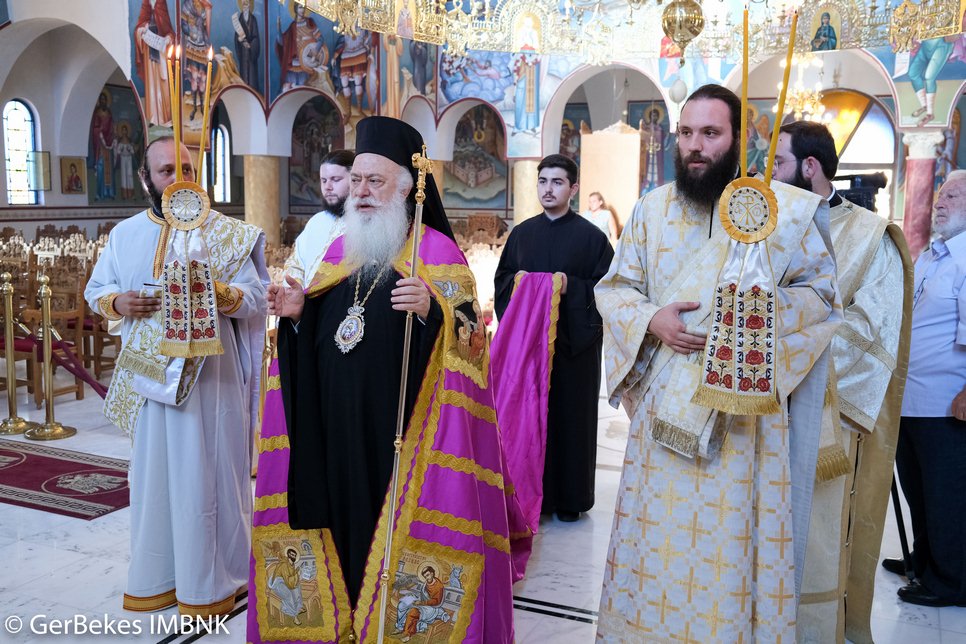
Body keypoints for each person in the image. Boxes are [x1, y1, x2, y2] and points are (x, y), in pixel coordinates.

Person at [248, 117, 526, 643]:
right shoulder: (339, 251)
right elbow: (322, 333)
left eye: (375, 181)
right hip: (335, 436)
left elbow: (473, 345)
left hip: (403, 445)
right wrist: (300, 315)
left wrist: (433, 313)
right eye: (356, 180)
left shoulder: (438, 255)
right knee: (341, 532)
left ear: (407, 189)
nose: (361, 191)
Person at [595, 84, 842, 641]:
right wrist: (652, 319)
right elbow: (615, 289)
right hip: (661, 420)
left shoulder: (777, 212)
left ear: (738, 139)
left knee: (727, 551)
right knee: (656, 550)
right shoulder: (652, 210)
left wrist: (751, 316)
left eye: (710, 133)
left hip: (742, 426)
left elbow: (822, 297)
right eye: (686, 133)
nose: (695, 146)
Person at [85, 136, 268, 616]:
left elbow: (255, 298)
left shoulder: (227, 234)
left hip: (213, 384)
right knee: (156, 483)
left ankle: (218, 579)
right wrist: (118, 302)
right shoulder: (125, 235)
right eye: (166, 171)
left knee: (213, 478)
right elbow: (97, 289)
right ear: (145, 179)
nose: (178, 180)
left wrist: (216, 292)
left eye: (186, 169)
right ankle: (160, 577)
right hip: (150, 383)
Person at [773, 121, 912, 642]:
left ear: (809, 167)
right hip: (759, 411)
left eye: (779, 163)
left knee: (815, 540)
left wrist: (782, 363)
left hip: (823, 415)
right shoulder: (764, 226)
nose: (768, 174)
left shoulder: (872, 237)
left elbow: (870, 332)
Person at [494, 154, 614, 522]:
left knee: (571, 420)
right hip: (528, 348)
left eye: (557, 182)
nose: (548, 189)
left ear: (573, 188)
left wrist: (568, 287)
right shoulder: (521, 235)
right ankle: (531, 494)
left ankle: (570, 499)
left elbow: (609, 290)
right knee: (529, 417)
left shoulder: (593, 238)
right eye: (543, 181)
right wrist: (519, 285)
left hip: (574, 349)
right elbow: (502, 281)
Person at [886, 170, 966, 608]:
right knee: (918, 491)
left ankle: (950, 581)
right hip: (911, 399)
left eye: (952, 195)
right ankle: (925, 560)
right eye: (940, 194)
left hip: (946, 404)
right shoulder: (932, 255)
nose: (940, 201)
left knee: (945, 495)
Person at [283, 149, 354, 286]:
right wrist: (295, 289)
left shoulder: (366, 225)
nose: (327, 187)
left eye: (336, 180)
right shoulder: (316, 221)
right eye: (324, 180)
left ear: (355, 180)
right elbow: (296, 265)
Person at [133, 0, 174, 126]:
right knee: (151, 84)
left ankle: (167, 118)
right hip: (149, 51)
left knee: (164, 81)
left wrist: (168, 38)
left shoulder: (162, 3)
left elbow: (169, 29)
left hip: (162, 51)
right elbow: (138, 27)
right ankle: (153, 119)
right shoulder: (145, 4)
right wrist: (142, 30)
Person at [275, 2, 325, 93]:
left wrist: (315, 51)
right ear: (296, 9)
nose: (303, 10)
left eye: (304, 7)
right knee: (289, 90)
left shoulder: (309, 23)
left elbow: (320, 39)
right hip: (294, 63)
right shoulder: (293, 26)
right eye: (300, 7)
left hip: (307, 63)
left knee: (305, 90)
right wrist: (278, 29)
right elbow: (283, 42)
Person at [233, 0, 261, 92]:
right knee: (244, 74)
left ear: (250, 4)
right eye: (243, 2)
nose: (245, 4)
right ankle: (244, 91)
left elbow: (256, 37)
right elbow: (236, 35)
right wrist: (239, 39)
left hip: (251, 52)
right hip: (243, 53)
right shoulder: (240, 19)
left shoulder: (253, 19)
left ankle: (253, 92)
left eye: (247, 2)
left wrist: (251, 45)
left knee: (252, 75)